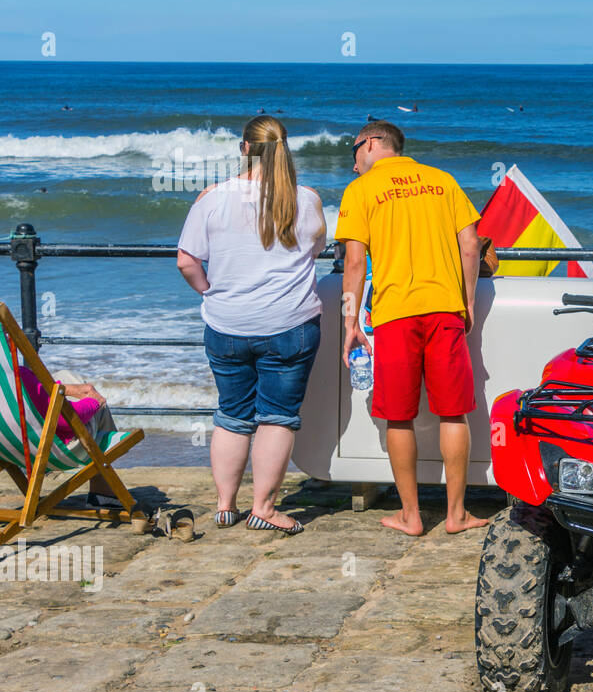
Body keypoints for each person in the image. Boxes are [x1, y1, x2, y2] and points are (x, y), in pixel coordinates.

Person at [336, 121, 487, 537]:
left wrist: (350, 321)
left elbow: (353, 263)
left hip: (396, 314)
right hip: (444, 310)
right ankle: (456, 514)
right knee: (452, 411)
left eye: (353, 153)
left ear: (369, 144)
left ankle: (411, 515)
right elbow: (471, 245)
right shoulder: (443, 181)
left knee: (398, 417)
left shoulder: (361, 190)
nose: (352, 166)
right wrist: (468, 299)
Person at [177, 115, 326, 535]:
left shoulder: (212, 197)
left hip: (227, 324)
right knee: (277, 417)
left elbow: (186, 261)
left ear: (245, 148)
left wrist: (210, 292)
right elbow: (315, 250)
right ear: (286, 148)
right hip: (289, 323)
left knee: (232, 414)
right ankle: (264, 508)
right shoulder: (307, 199)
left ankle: (225, 505)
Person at [16, 368, 121, 507]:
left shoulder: (9, 379)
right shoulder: (16, 373)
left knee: (64, 376)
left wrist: (66, 389)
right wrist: (94, 402)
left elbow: (35, 391)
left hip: (10, 450)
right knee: (94, 403)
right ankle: (103, 486)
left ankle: (102, 486)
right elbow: (65, 420)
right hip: (52, 449)